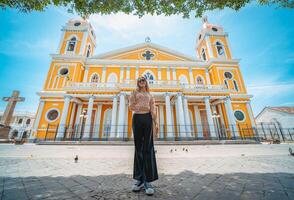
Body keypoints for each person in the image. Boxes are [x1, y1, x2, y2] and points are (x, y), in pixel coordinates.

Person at [128, 76, 159, 196]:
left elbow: (152, 109)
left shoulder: (150, 95)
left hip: (147, 119)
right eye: (140, 80)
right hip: (137, 118)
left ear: (146, 82)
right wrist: (139, 107)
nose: (142, 82)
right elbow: (131, 105)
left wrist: (156, 123)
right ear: (138, 82)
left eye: (144, 80)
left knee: (148, 148)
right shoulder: (134, 92)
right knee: (138, 148)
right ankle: (139, 179)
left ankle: (148, 180)